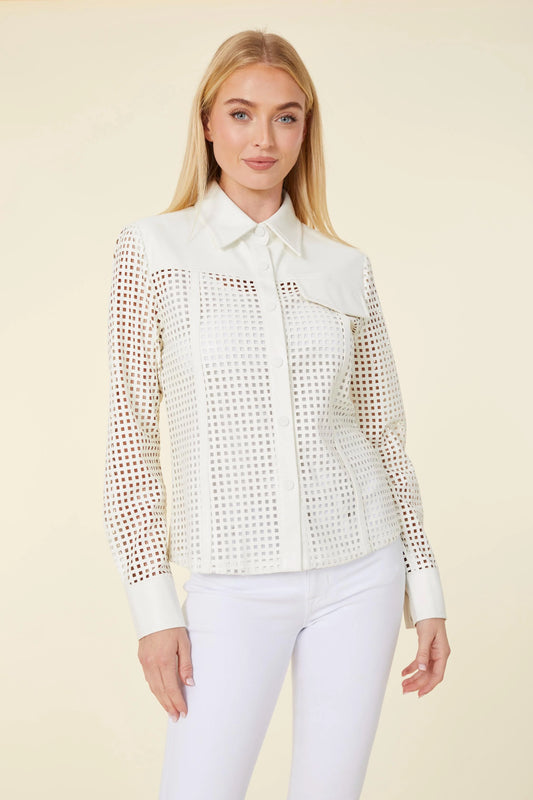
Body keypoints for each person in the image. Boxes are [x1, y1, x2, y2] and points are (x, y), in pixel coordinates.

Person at [103, 28, 451, 800]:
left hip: (361, 572)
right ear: (206, 123)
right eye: (240, 113)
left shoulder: (344, 267)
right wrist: (152, 605)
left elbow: (383, 435)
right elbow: (130, 437)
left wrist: (424, 590)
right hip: (231, 583)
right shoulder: (152, 252)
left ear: (305, 129)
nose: (262, 138)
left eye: (285, 117)